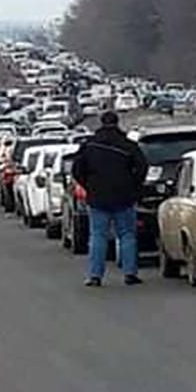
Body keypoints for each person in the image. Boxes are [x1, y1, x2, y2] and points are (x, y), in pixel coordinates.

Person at [72, 111, 148, 287]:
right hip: (124, 197)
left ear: (101, 122)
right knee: (127, 235)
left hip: (98, 197)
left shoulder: (90, 145)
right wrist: (134, 186)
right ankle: (130, 273)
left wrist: (89, 186)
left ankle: (95, 275)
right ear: (117, 122)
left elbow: (77, 170)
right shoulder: (128, 145)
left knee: (98, 236)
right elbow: (142, 167)